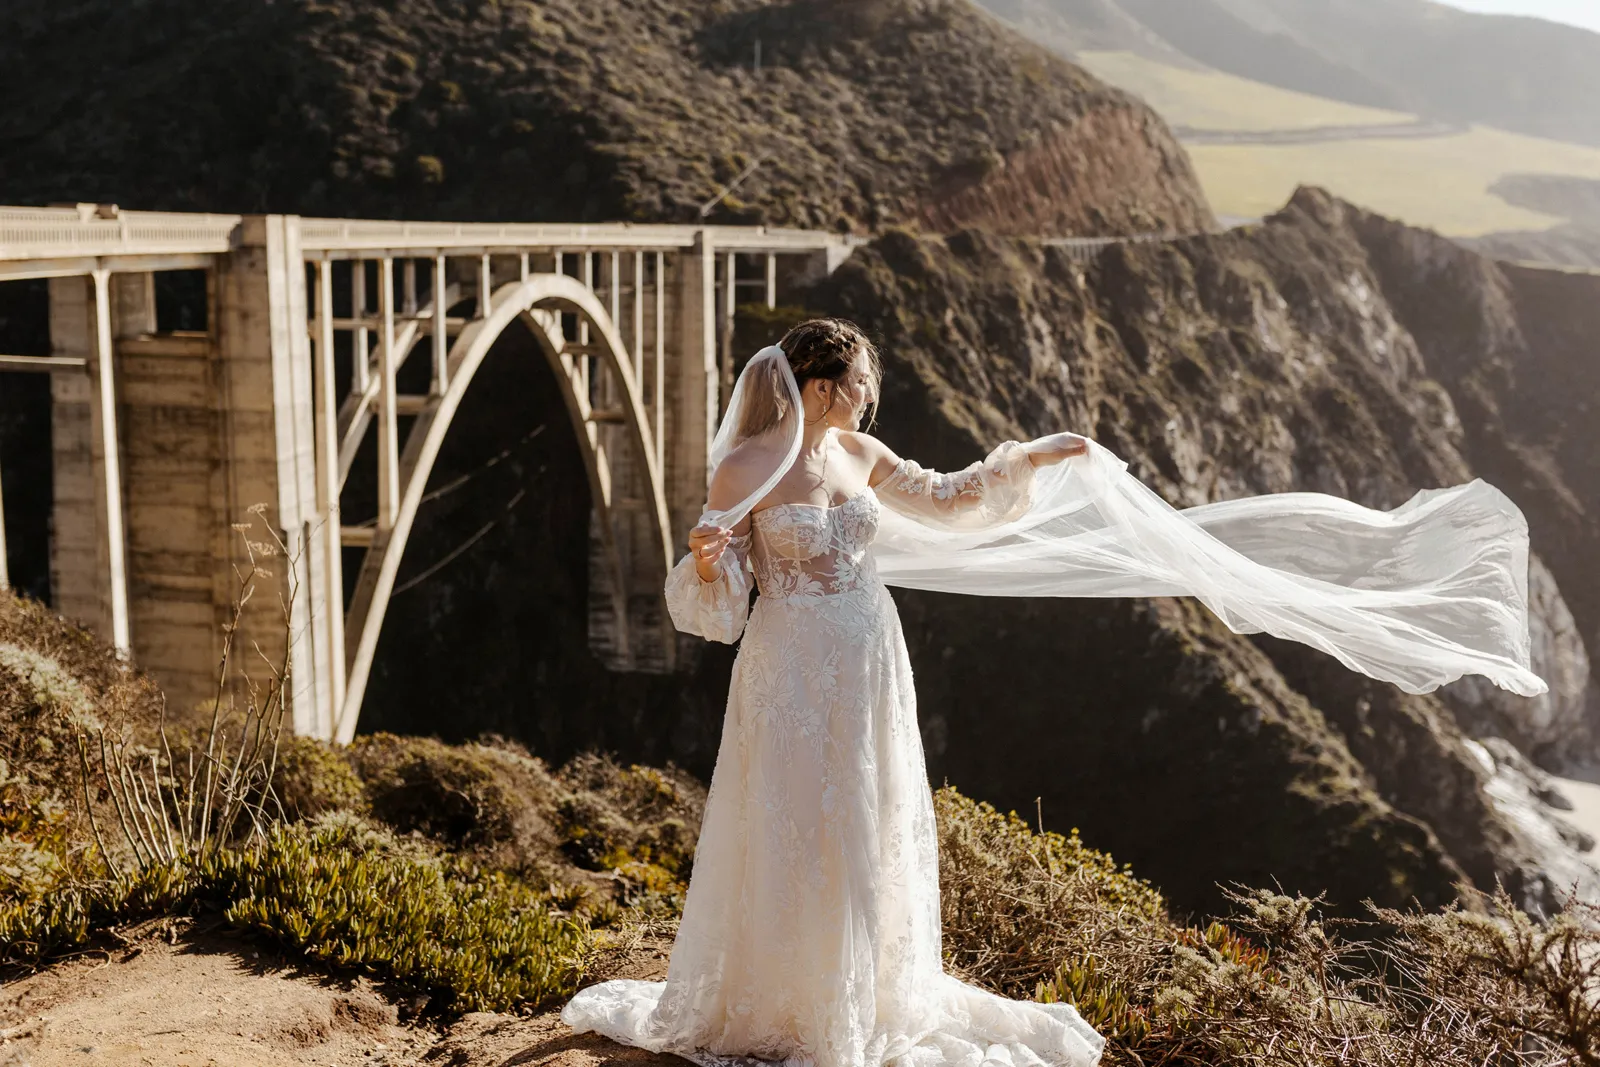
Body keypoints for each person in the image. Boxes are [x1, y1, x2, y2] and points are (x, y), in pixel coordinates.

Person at [563, 317, 1545, 1067]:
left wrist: (1036, 457)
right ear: (820, 384)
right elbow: (712, 600)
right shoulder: (745, 463)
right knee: (789, 816)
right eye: (860, 384)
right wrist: (706, 558)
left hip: (866, 654)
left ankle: (855, 988)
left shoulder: (859, 457)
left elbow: (946, 497)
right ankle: (784, 998)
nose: (870, 398)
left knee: (862, 818)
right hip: (786, 661)